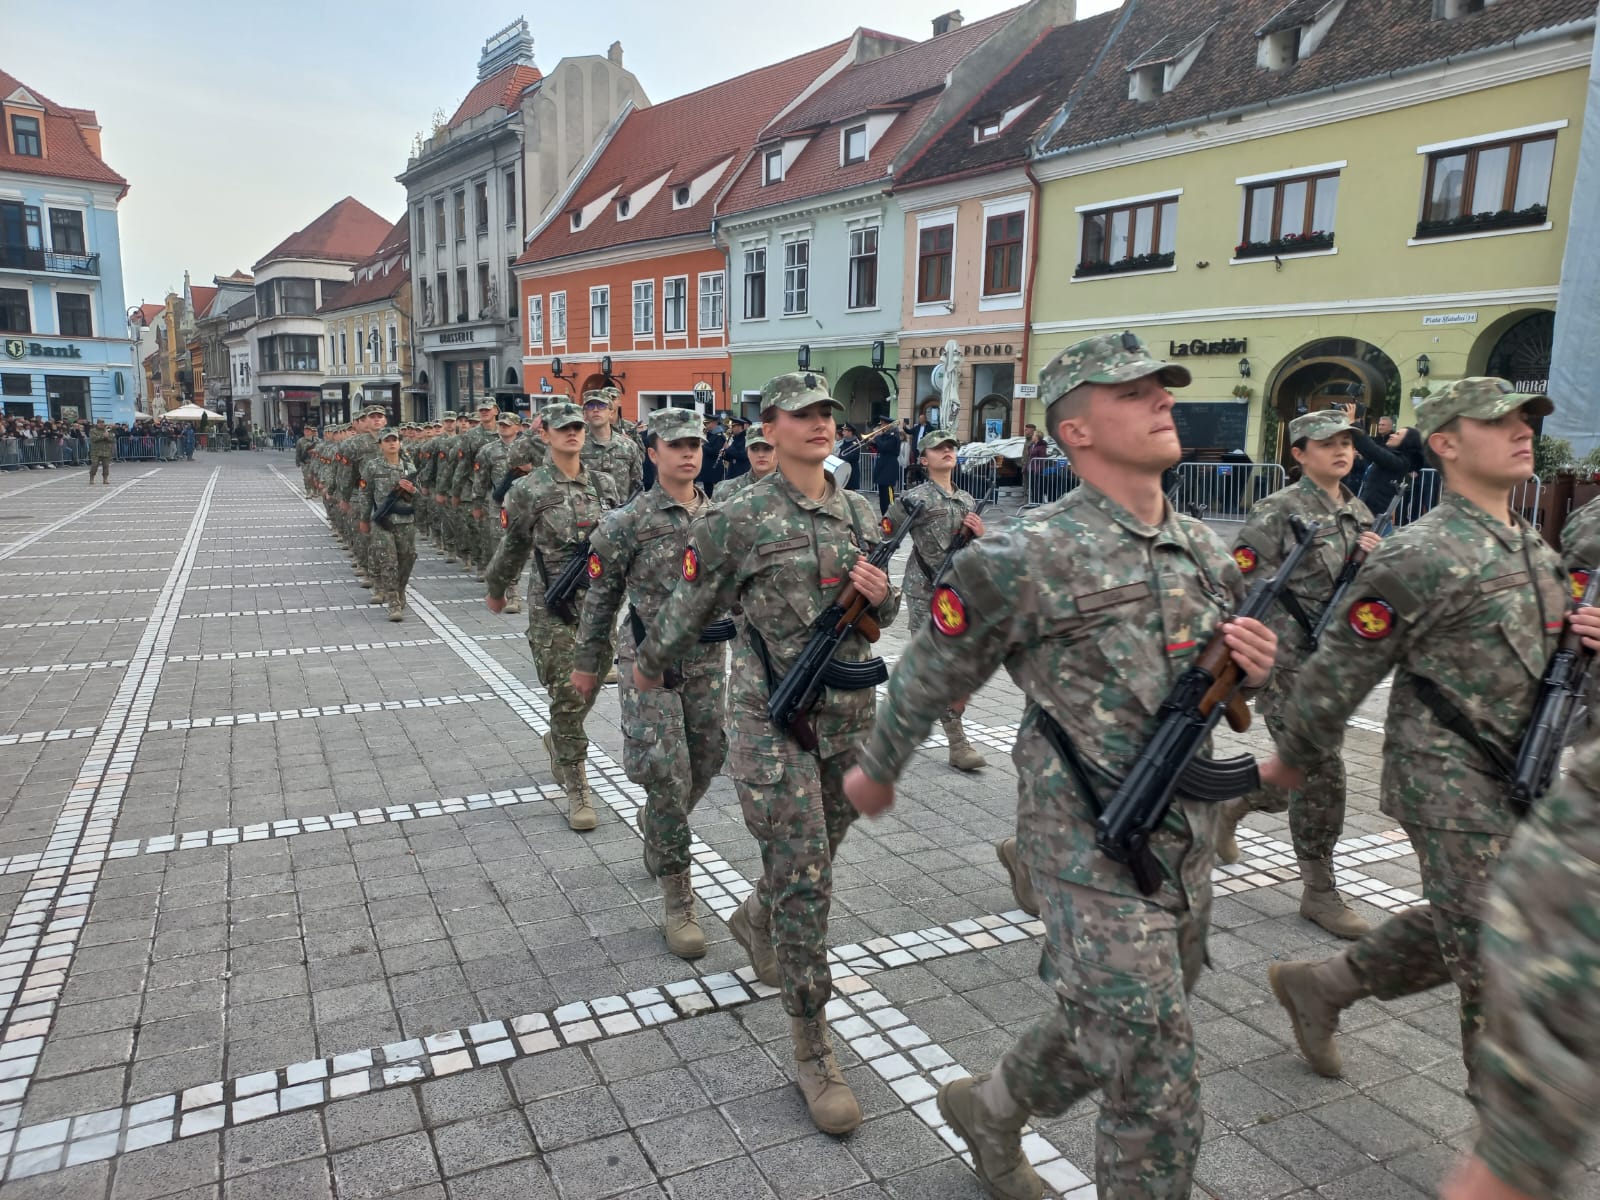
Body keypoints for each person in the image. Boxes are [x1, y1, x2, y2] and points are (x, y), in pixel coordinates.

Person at [842, 331, 1276, 1200]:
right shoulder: (1022, 552)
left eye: (1164, 388)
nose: (1163, 401)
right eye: (1136, 393)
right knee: (1156, 1076)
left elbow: (1221, 686)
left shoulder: (1199, 544)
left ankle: (995, 1108)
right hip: (1083, 835)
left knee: (1116, 1018)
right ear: (1074, 431)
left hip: (1182, 829)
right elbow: (932, 666)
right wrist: (881, 766)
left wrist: (1253, 674)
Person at [1261, 378, 1571, 1100]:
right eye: (1499, 421)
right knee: (1497, 953)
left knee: (1484, 914)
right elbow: (1336, 669)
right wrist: (1289, 763)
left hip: (1526, 772)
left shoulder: (1531, 546)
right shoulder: (1419, 553)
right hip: (1447, 779)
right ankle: (1504, 1144)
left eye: (1527, 419)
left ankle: (1324, 988)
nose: (1523, 429)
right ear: (1447, 444)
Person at [633, 371, 899, 1136]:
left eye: (828, 413)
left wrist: (881, 593)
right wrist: (649, 668)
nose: (821, 423)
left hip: (848, 716)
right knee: (808, 878)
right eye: (802, 414)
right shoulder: (736, 515)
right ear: (768, 427)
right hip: (769, 720)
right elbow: (690, 605)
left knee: (818, 855)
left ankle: (757, 914)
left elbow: (892, 610)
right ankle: (814, 1045)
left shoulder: (858, 508)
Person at [1213, 410, 1382, 938]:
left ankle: (1235, 805)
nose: (1341, 451)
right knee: (1323, 770)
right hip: (1284, 662)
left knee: (1296, 773)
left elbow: (1363, 594)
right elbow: (1235, 580)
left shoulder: (1361, 513)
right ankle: (1319, 889)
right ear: (1299, 453)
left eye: (1347, 443)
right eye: (1325, 443)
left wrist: (1375, 560)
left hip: (1334, 664)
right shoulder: (1277, 511)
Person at [572, 407, 731, 959]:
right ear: (653, 452)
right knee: (668, 775)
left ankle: (659, 823)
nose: (689, 453)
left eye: (696, 444)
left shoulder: (723, 517)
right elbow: (600, 598)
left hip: (709, 662)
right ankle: (678, 898)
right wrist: (587, 663)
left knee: (707, 760)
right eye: (676, 444)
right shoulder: (626, 522)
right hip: (648, 665)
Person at [1439, 732, 1600, 1200]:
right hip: (1450, 770)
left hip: (1521, 772)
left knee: (1466, 921)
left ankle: (1330, 983)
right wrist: (1517, 1152)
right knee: (1472, 930)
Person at [484, 402, 620, 831]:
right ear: (545, 434)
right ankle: (577, 783)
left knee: (592, 685)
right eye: (563, 428)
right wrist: (496, 586)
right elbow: (514, 546)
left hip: (598, 606)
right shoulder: (528, 489)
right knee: (567, 692)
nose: (573, 433)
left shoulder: (603, 483)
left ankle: (559, 739)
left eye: (578, 426)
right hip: (552, 605)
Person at [885, 430, 987, 773]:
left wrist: (980, 535)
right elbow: (883, 538)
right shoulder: (914, 499)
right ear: (923, 459)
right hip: (924, 591)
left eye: (951, 448)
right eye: (938, 448)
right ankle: (958, 743)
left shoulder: (967, 500)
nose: (947, 452)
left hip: (958, 593)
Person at [359, 429, 418, 621]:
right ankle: (393, 601)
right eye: (387, 441)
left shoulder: (409, 468)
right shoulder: (372, 467)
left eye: (395, 440)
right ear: (381, 444)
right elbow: (366, 495)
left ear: (400, 443)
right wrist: (364, 519)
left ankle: (401, 589)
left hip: (406, 522)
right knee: (388, 561)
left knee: (407, 558)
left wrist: (413, 491)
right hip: (382, 521)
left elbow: (421, 498)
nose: (392, 444)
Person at [473, 411, 524, 609]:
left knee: (518, 546)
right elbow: (481, 480)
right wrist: (477, 504)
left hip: (522, 505)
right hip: (498, 505)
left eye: (508, 424)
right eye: (501, 424)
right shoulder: (488, 451)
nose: (503, 427)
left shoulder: (527, 450)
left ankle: (513, 591)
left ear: (518, 427)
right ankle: (501, 587)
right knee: (499, 546)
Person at [1341, 403, 1423, 516]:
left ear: (1407, 441)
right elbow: (1370, 446)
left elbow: (1372, 450)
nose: (1392, 435)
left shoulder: (1401, 462)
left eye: (1397, 434)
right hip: (1368, 510)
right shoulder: (1394, 455)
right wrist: (1356, 422)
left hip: (1374, 515)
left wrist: (1353, 424)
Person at [580, 390, 644, 502]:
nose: (595, 410)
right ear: (585, 414)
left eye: (601, 405)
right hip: (589, 514)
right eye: (590, 406)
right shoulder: (578, 446)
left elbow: (637, 487)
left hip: (622, 513)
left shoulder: (628, 446)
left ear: (611, 412)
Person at [711, 428, 775, 501]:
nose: (761, 454)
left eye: (768, 448)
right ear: (747, 452)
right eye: (754, 449)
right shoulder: (724, 490)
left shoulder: (789, 488)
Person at [870, 420, 904, 514]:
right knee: (882, 496)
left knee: (889, 496)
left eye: (883, 424)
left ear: (888, 425)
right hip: (882, 468)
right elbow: (879, 448)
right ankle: (884, 516)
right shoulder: (885, 436)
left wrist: (876, 438)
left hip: (889, 468)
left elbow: (884, 446)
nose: (881, 426)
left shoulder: (894, 436)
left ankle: (891, 516)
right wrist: (872, 441)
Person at [87, 418, 114, 485]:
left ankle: (105, 479)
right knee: (94, 465)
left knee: (106, 466)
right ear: (97, 423)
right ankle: (92, 478)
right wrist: (103, 436)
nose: (101, 424)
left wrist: (107, 437)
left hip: (106, 451)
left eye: (103, 422)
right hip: (96, 452)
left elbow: (112, 440)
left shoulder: (107, 430)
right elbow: (93, 439)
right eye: (100, 423)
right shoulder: (93, 430)